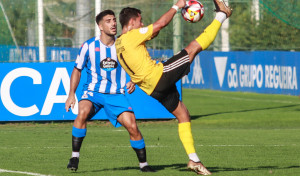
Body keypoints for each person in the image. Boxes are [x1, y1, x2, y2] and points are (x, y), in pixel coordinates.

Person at [115, 0, 232, 175]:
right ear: (131, 22)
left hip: (151, 89)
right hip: (159, 76)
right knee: (192, 48)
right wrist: (178, 6)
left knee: (183, 114)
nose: (142, 24)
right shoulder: (132, 35)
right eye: (140, 21)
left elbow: (144, 46)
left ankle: (194, 160)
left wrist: (134, 79)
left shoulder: (119, 43)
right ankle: (222, 15)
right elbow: (160, 24)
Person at [65, 10, 155, 172]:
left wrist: (134, 80)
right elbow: (77, 70)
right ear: (100, 26)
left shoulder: (123, 44)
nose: (113, 24)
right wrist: (71, 94)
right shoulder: (89, 46)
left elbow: (137, 64)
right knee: (82, 112)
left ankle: (144, 165)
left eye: (114, 20)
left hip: (116, 94)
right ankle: (74, 157)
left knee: (132, 126)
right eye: (108, 21)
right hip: (93, 93)